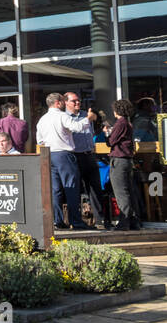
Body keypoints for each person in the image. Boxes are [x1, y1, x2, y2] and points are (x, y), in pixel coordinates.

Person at [36, 92, 84, 230]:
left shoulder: (42, 119)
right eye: (62, 102)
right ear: (57, 103)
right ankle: (76, 221)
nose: (64, 104)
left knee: (55, 190)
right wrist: (89, 119)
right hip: (64, 154)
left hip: (48, 155)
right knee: (71, 187)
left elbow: (40, 140)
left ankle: (57, 221)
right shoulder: (62, 116)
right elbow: (77, 127)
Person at [68, 92, 111, 230]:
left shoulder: (86, 114)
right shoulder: (65, 117)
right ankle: (77, 220)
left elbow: (91, 132)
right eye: (74, 101)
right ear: (66, 102)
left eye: (78, 100)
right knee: (76, 189)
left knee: (95, 188)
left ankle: (100, 220)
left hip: (89, 154)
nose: (77, 103)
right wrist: (88, 118)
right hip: (75, 155)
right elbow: (74, 130)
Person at [107, 99, 142, 231]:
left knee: (121, 192)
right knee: (129, 191)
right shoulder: (128, 123)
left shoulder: (120, 123)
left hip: (119, 159)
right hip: (127, 160)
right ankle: (134, 221)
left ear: (117, 110)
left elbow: (111, 141)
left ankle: (124, 222)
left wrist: (106, 133)